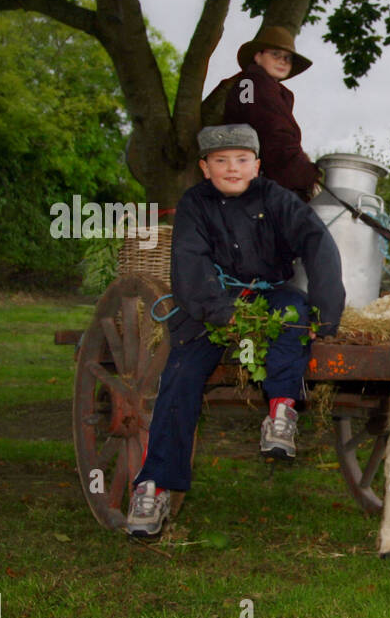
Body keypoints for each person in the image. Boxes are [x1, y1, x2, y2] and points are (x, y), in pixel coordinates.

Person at [126, 123, 346, 538]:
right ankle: (152, 485)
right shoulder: (194, 204)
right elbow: (189, 262)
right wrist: (218, 310)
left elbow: (318, 242)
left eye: (242, 160)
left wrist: (327, 315)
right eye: (221, 161)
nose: (232, 168)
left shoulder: (277, 199)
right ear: (204, 167)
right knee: (181, 372)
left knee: (293, 317)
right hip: (209, 303)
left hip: (270, 294)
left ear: (257, 165)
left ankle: (281, 412)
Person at [223, 26, 322, 202]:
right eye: (275, 54)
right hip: (255, 182)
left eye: (287, 58)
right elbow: (270, 135)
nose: (282, 61)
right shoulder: (252, 82)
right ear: (258, 56)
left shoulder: (274, 91)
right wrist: (308, 174)